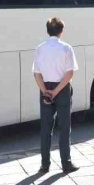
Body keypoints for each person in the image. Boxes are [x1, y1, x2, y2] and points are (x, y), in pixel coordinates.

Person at [32, 17, 79, 174]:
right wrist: (57, 91)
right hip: (62, 89)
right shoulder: (66, 48)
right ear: (62, 31)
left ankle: (44, 165)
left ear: (47, 31)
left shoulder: (40, 48)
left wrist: (46, 91)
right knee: (64, 127)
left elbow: (36, 73)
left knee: (46, 128)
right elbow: (69, 73)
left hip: (45, 88)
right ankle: (66, 164)